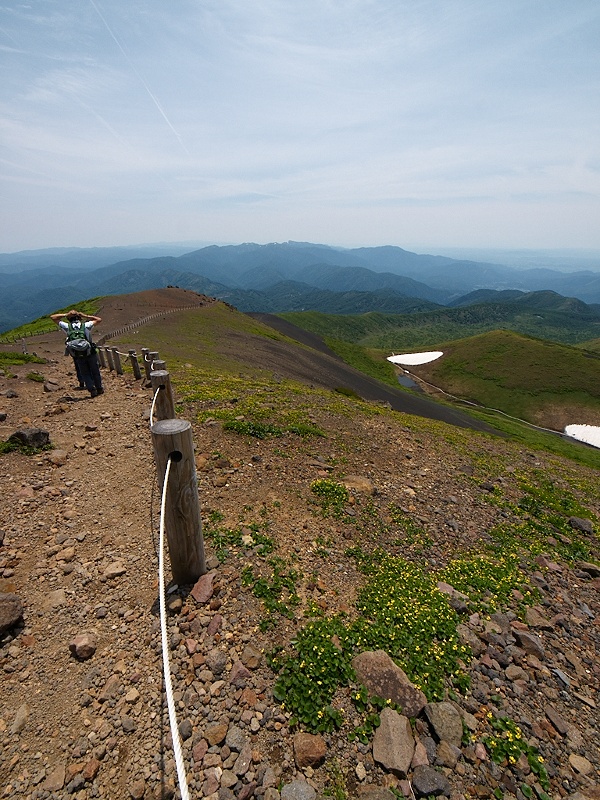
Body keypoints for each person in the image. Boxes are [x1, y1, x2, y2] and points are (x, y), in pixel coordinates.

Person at [50, 309, 104, 397]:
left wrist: (66, 314)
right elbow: (99, 320)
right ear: (79, 318)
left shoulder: (67, 326)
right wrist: (85, 316)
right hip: (90, 352)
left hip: (77, 354)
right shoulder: (86, 325)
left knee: (85, 372)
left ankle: (91, 389)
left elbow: (53, 317)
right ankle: (99, 388)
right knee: (95, 370)